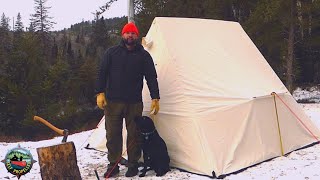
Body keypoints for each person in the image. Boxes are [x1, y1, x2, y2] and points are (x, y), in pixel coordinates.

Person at [95, 22, 160, 178]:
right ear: (122, 35)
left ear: (136, 36)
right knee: (112, 135)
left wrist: (155, 97)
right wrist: (100, 93)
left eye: (133, 33)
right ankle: (113, 165)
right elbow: (102, 73)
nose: (130, 35)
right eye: (127, 33)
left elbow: (151, 77)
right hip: (112, 102)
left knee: (134, 135)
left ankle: (133, 165)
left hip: (134, 103)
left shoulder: (144, 55)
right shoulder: (111, 53)